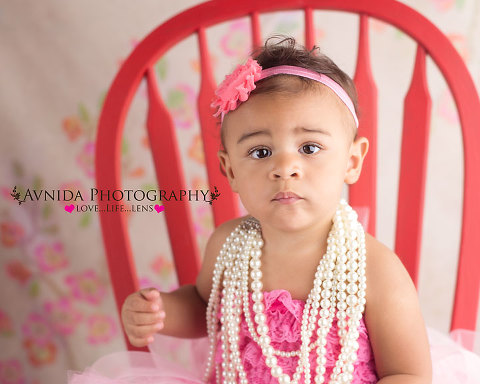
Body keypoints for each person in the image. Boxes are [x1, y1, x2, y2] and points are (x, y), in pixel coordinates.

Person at [69, 35, 480, 384]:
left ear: (353, 161)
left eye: (310, 147)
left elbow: (408, 373)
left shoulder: (372, 268)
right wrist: (161, 312)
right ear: (230, 169)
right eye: (261, 151)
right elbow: (204, 309)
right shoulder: (229, 245)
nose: (285, 168)